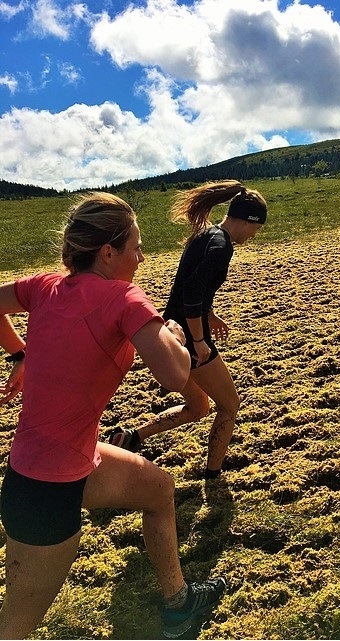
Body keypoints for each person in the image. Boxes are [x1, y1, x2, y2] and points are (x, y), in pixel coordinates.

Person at [0, 192, 226, 640]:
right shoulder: (125, 298)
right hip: (44, 490)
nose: (141, 258)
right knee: (14, 627)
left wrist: (19, 354)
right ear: (107, 252)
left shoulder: (44, 286)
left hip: (64, 463)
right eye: (136, 247)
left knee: (159, 489)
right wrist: (176, 335)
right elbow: (173, 374)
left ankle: (178, 605)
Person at [109, 180, 267, 479]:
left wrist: (210, 314)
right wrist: (199, 339)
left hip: (171, 331)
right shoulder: (221, 246)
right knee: (230, 404)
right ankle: (213, 475)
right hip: (190, 338)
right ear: (248, 220)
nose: (254, 235)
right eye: (256, 228)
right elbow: (193, 289)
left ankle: (130, 436)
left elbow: (191, 287)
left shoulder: (207, 234)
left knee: (198, 407)